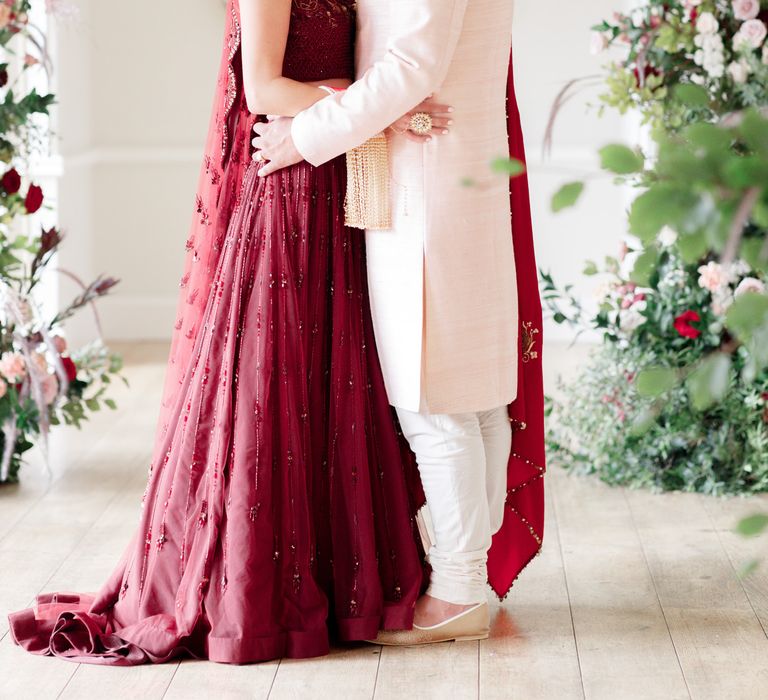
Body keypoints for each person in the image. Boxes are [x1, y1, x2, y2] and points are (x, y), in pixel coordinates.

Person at [7, 0, 452, 664]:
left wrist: (372, 112)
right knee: (274, 390)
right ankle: (257, 598)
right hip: (290, 190)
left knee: (340, 381)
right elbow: (263, 88)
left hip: (340, 177)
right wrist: (373, 107)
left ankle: (344, 586)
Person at [251, 0, 546, 645]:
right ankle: (468, 581)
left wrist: (304, 136)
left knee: (433, 401)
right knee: (473, 397)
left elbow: (412, 64)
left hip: (429, 186)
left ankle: (459, 590)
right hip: (456, 173)